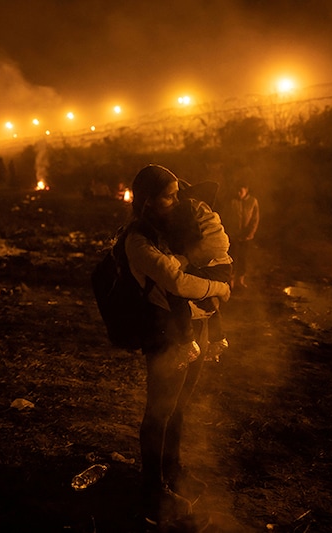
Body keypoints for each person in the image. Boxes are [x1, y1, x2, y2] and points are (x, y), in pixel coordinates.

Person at [124, 164, 231, 528]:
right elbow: (176, 282)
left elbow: (211, 253)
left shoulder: (176, 227)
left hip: (194, 328)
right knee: (160, 411)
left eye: (176, 192)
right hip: (165, 334)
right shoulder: (137, 240)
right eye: (169, 195)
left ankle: (174, 470)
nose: (177, 200)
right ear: (149, 201)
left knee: (180, 406)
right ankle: (152, 489)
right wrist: (219, 289)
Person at [165, 181, 233, 363]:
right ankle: (219, 339)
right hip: (223, 264)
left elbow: (191, 236)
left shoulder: (185, 208)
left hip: (210, 264)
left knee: (177, 291)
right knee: (205, 296)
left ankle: (187, 343)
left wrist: (178, 254)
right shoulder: (201, 206)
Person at [221, 181, 259, 289]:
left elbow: (255, 220)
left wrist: (249, 234)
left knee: (243, 259)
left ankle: (240, 280)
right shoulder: (232, 201)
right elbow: (226, 216)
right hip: (233, 235)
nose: (238, 193)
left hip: (246, 237)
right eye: (237, 191)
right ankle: (231, 280)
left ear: (246, 190)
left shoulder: (252, 201)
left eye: (241, 191)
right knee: (232, 258)